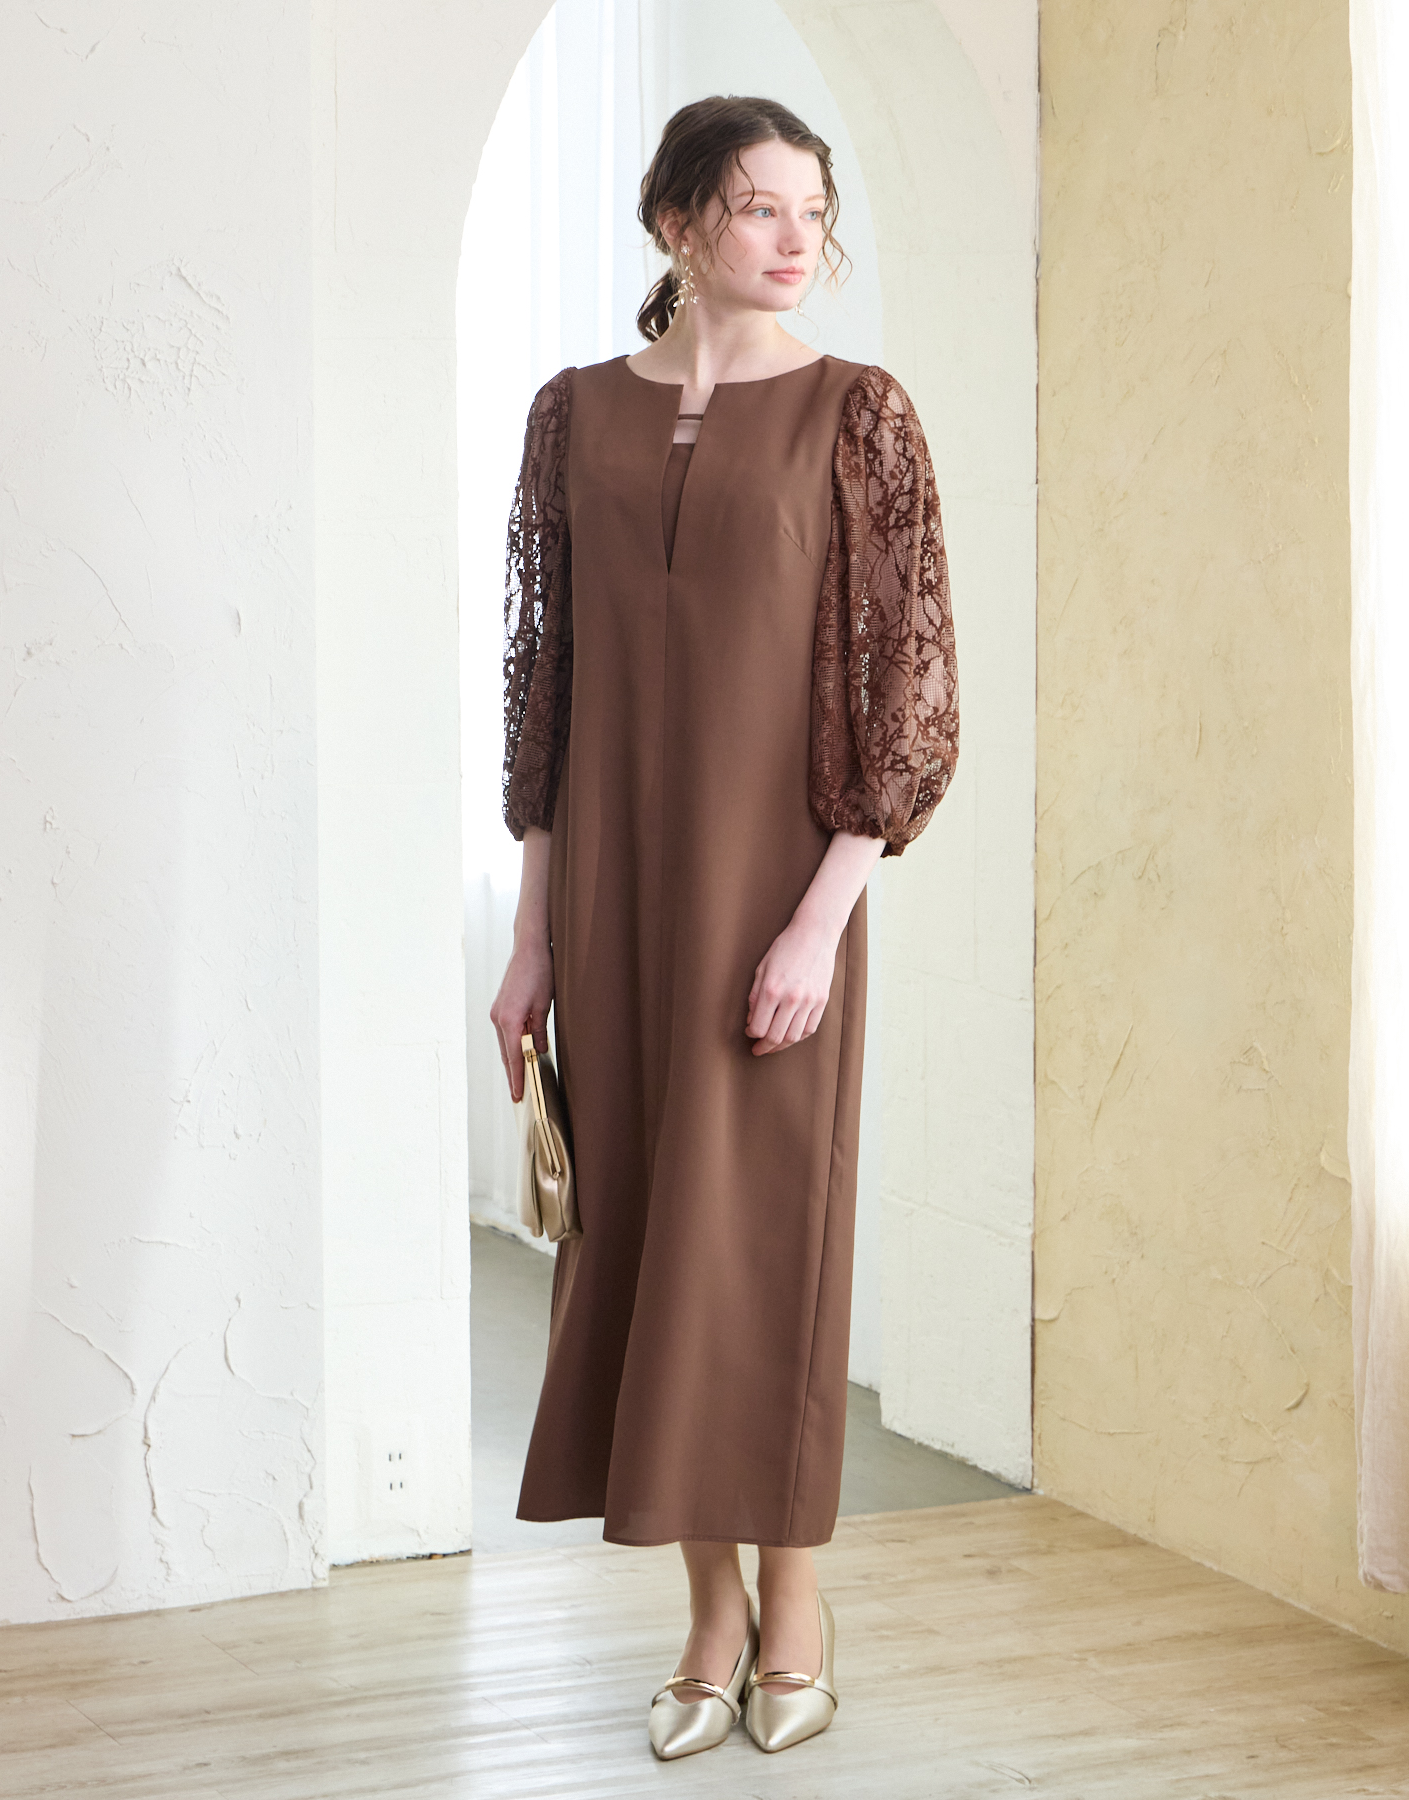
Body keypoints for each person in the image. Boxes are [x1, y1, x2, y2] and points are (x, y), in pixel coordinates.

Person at [489, 93, 958, 1761]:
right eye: (760, 207)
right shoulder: (573, 417)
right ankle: (708, 1615)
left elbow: (904, 697)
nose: (795, 238)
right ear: (678, 222)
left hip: (776, 896)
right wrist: (534, 939)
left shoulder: (859, 416)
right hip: (609, 901)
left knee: (762, 1246)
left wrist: (819, 924)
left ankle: (798, 1607)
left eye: (814, 210)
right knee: (639, 1242)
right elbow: (546, 705)